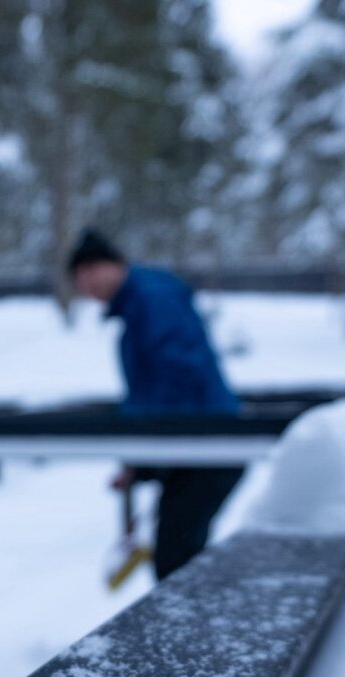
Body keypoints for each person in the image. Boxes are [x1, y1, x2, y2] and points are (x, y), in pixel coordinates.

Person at [68, 228, 244, 580]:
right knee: (177, 557)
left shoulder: (153, 299)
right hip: (192, 446)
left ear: (113, 265)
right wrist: (141, 461)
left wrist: (145, 456)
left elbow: (179, 379)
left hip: (208, 446)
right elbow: (154, 392)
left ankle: (194, 631)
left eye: (90, 274)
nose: (87, 288)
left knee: (176, 561)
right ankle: (193, 629)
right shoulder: (139, 306)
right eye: (78, 281)